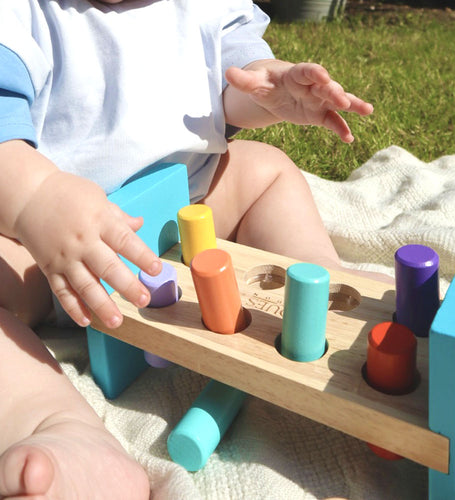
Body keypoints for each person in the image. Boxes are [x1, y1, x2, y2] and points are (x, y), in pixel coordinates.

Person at [0, 0, 381, 497]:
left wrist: (269, 89)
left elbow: (232, 84)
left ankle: (330, 292)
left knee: (266, 170)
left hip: (187, 208)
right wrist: (34, 200)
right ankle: (56, 422)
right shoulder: (21, 15)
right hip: (43, 250)